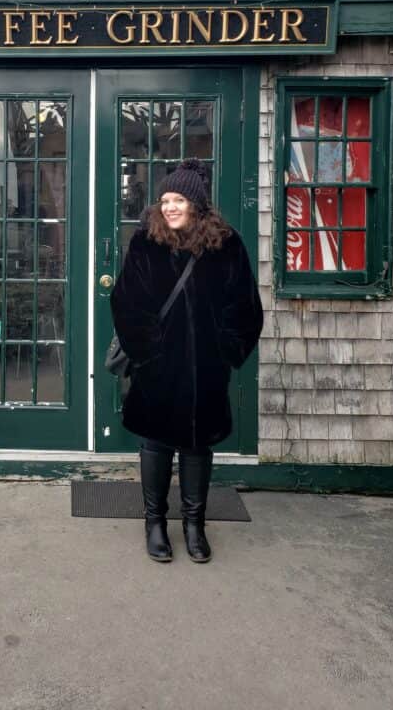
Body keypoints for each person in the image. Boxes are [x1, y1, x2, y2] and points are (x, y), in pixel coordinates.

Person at [110, 158, 263, 564]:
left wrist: (226, 352)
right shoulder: (146, 242)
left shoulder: (226, 244)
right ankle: (155, 523)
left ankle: (195, 525)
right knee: (156, 443)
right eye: (164, 200)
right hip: (157, 368)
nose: (170, 207)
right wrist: (148, 352)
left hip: (206, 370)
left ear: (197, 204)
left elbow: (245, 306)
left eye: (179, 199)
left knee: (198, 446)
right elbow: (126, 302)